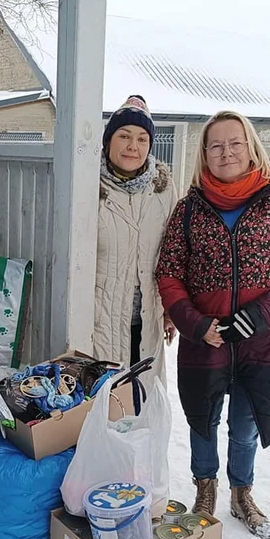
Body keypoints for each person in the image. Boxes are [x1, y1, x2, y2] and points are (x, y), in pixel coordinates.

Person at [155, 110, 270, 538]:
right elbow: (170, 273)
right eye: (216, 145)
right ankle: (205, 489)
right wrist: (196, 325)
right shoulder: (189, 209)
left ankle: (241, 491)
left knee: (247, 422)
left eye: (235, 143)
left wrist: (259, 315)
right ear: (204, 154)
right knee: (203, 419)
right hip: (207, 341)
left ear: (251, 146)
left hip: (267, 341)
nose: (226, 152)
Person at [93, 95, 178, 388]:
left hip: (147, 317)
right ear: (108, 142)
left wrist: (171, 308)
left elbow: (172, 252)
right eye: (124, 136)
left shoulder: (163, 189)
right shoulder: (88, 185)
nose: (133, 146)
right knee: (105, 399)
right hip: (100, 318)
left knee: (143, 400)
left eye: (143, 139)